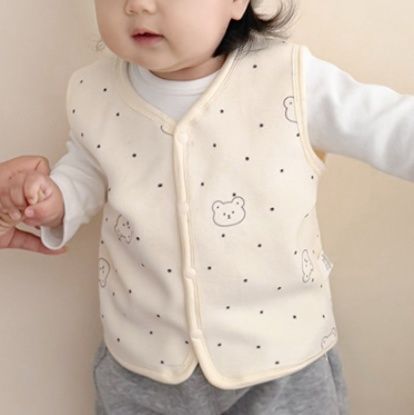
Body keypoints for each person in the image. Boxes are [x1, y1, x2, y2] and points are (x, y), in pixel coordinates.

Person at [2, 0, 414, 413]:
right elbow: (85, 172)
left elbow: (388, 126)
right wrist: (51, 199)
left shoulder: (290, 80)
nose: (137, 5)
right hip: (144, 365)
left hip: (282, 362)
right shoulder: (94, 93)